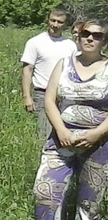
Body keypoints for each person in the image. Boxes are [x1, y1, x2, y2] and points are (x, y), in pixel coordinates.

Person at [32, 19, 108, 220]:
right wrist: (61, 130)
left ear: (104, 40)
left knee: (90, 199)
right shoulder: (63, 64)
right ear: (78, 36)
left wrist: (97, 133)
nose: (90, 38)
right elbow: (49, 100)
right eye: (85, 33)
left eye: (97, 35)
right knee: (45, 190)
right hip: (60, 139)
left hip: (98, 143)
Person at [21, 7, 77, 140]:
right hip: (43, 93)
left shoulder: (70, 45)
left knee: (66, 133)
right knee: (44, 134)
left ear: (65, 24)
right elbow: (27, 70)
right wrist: (27, 96)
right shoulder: (35, 42)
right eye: (53, 20)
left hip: (65, 95)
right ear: (48, 20)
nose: (55, 25)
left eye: (60, 22)